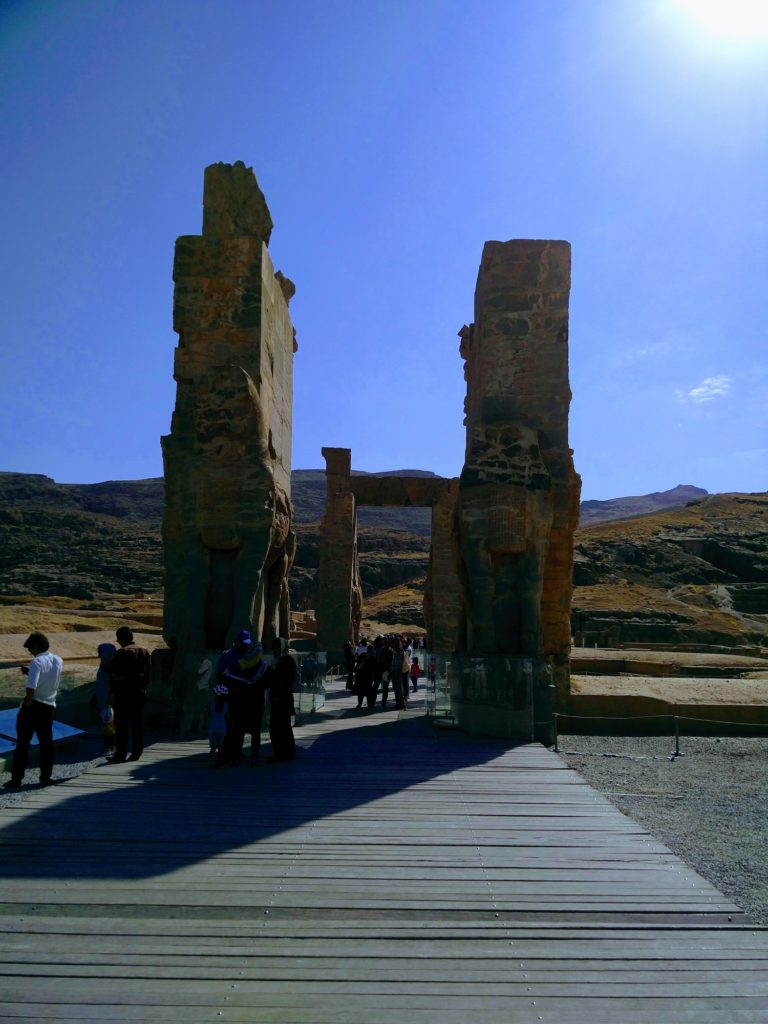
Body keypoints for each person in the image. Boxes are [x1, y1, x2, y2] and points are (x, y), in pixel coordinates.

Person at [4, 633, 63, 789]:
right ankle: (46, 777)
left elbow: (32, 686)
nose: (30, 652)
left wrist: (27, 701)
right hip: (49, 706)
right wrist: (30, 671)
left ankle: (16, 779)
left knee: (22, 744)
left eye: (30, 648)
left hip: (33, 706)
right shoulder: (58, 660)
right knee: (46, 744)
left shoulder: (36, 662)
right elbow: (48, 675)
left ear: (36, 647)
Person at [217, 630, 269, 766]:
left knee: (239, 727)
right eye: (242, 644)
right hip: (229, 696)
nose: (245, 646)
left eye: (247, 644)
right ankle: (226, 753)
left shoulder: (249, 657)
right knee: (229, 726)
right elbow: (220, 678)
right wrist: (220, 697)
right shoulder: (226, 656)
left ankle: (236, 752)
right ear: (236, 642)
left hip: (244, 698)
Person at [105, 626, 150, 764]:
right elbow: (149, 674)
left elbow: (112, 672)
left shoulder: (122, 652)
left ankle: (120, 754)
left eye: (118, 638)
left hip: (123, 693)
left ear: (122, 638)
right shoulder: (144, 651)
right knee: (137, 723)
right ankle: (137, 752)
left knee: (121, 725)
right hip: (139, 692)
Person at [267, 638, 296, 760]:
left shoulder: (287, 661)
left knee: (282, 726)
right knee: (276, 726)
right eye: (273, 648)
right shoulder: (276, 661)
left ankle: (285, 752)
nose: (274, 650)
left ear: (282, 648)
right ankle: (280, 752)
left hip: (283, 699)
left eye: (277, 648)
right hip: (277, 698)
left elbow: (285, 680)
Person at [91, 642, 116, 753]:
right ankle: (110, 746)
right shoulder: (104, 664)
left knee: (109, 724)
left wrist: (110, 700)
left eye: (100, 652)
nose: (98, 655)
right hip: (102, 698)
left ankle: (109, 746)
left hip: (108, 700)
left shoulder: (112, 667)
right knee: (107, 723)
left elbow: (113, 685)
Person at [208, 684, 229, 768]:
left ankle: (211, 762)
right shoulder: (226, 705)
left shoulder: (212, 704)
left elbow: (208, 715)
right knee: (221, 747)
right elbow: (228, 716)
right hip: (222, 727)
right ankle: (220, 762)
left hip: (212, 727)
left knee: (213, 748)